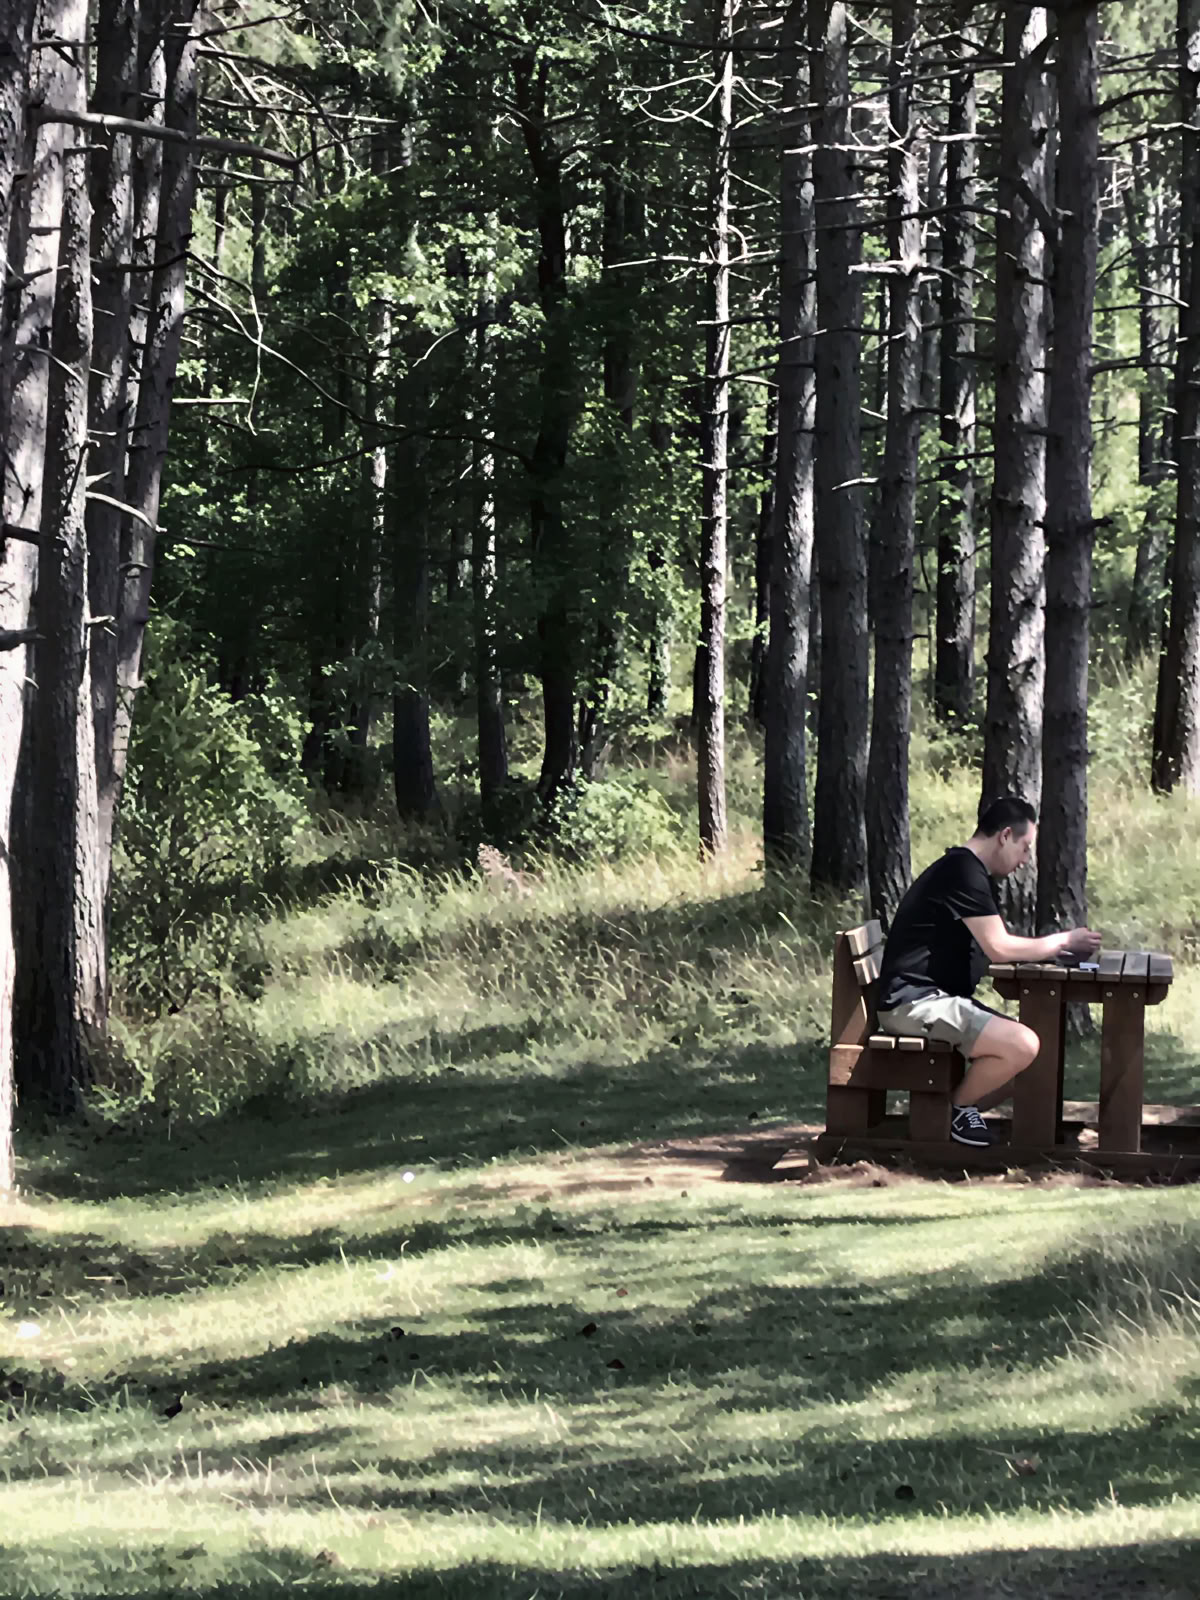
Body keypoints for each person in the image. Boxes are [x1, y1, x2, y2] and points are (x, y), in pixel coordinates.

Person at [875, 796, 1102, 1148]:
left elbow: (994, 947)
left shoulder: (965, 869)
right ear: (1005, 835)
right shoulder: (963, 872)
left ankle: (952, 1112)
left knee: (1033, 1050)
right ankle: (953, 1112)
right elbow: (1000, 947)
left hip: (928, 1000)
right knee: (1022, 1045)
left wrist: (1052, 952)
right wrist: (1062, 941)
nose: (1026, 859)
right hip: (912, 1004)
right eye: (1025, 848)